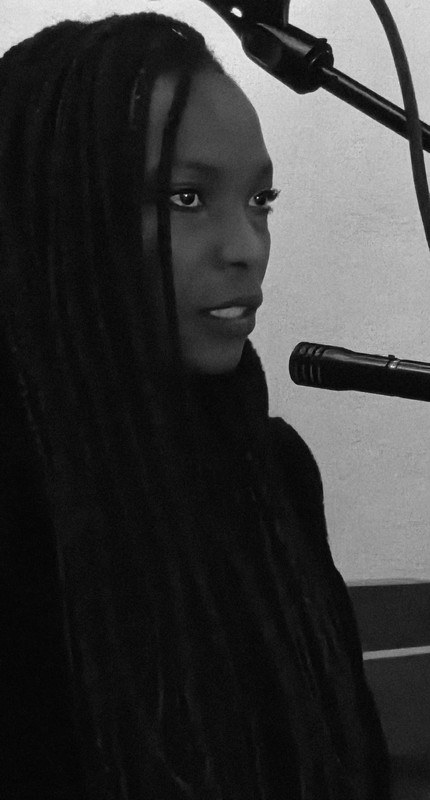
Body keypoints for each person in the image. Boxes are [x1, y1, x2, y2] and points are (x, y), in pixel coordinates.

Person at [0, 11, 392, 799]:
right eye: (186, 198)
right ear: (51, 213)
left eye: (260, 199)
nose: (247, 246)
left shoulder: (273, 472)